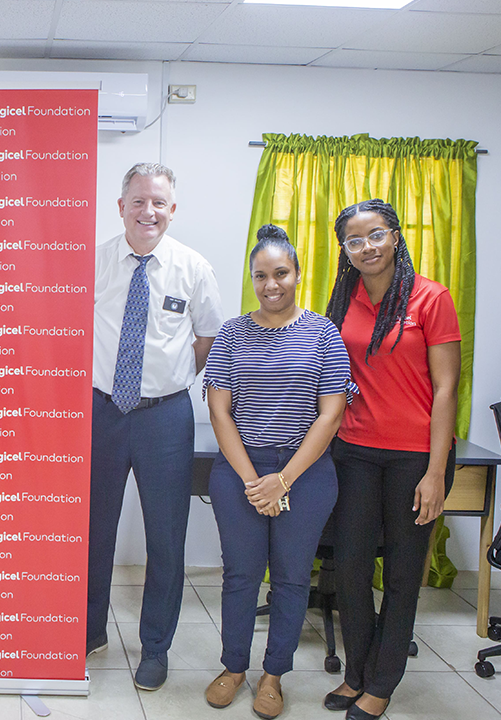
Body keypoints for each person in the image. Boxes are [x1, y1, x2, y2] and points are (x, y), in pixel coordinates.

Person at [202, 225, 352, 719]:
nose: (271, 284)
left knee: (289, 579)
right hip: (241, 471)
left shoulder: (322, 333)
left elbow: (330, 414)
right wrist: (253, 481)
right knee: (240, 575)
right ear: (252, 278)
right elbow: (220, 411)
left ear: (297, 273)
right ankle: (233, 666)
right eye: (261, 275)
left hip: (304, 473)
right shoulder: (232, 333)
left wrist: (282, 480)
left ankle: (273, 675)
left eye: (280, 273)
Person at [322, 199, 461, 720]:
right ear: (345, 251)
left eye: (376, 235)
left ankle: (382, 684)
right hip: (354, 453)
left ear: (395, 236)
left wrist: (433, 472)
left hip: (414, 460)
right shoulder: (344, 298)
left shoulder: (430, 298)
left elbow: (446, 389)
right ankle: (357, 673)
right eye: (354, 241)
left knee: (402, 576)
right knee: (352, 570)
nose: (367, 247)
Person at [89, 162, 223, 691]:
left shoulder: (193, 268)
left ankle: (156, 648)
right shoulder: (94, 263)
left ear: (173, 210)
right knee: (93, 531)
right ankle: (89, 631)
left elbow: (208, 338)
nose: (149, 211)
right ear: (121, 206)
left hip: (165, 417)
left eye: (159, 203)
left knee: (166, 538)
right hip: (101, 412)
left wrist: (170, 378)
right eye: (139, 201)